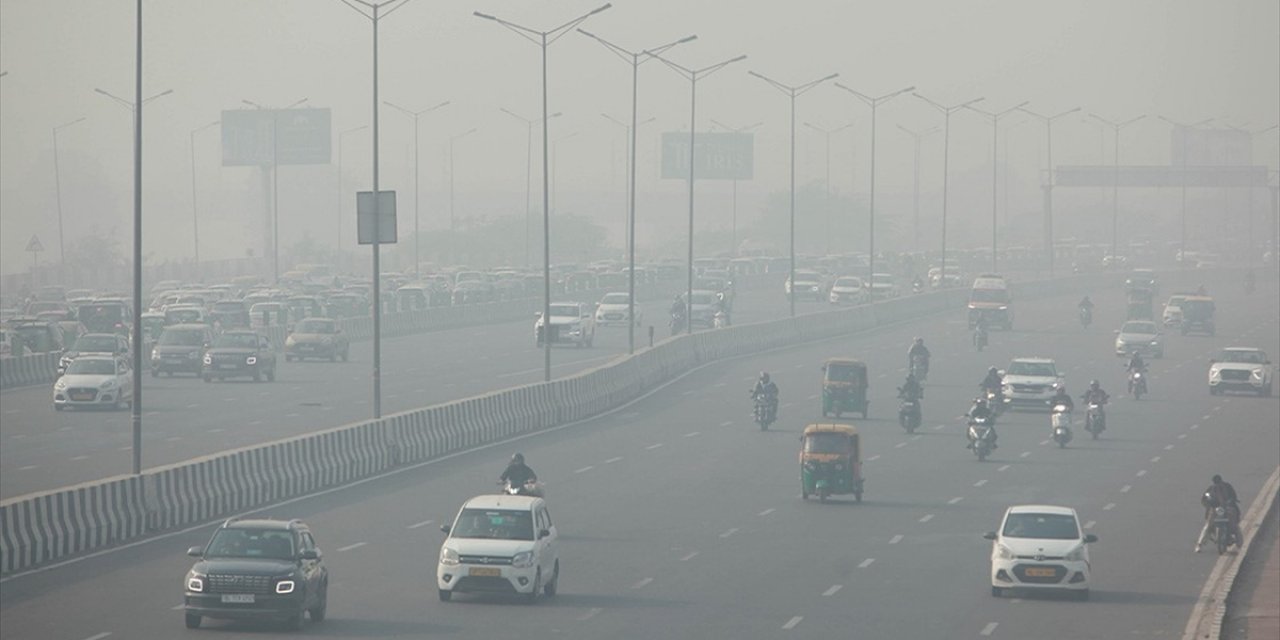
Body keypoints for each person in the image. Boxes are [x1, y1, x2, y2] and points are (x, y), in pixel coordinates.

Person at [1196, 474, 1241, 553]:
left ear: (1221, 481)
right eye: (1216, 484)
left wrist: (1231, 501)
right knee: (1208, 526)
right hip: (1215, 509)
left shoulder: (1228, 487)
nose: (1217, 485)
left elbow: (1233, 496)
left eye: (1219, 483)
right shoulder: (1210, 489)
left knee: (1235, 527)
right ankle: (1199, 545)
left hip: (1228, 508)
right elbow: (1205, 498)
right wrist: (1209, 504)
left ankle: (1239, 544)